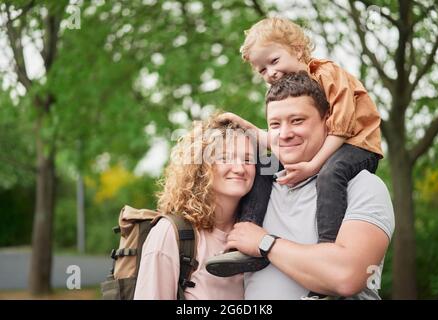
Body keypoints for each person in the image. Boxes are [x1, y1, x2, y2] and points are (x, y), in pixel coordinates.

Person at [210, 17, 383, 274]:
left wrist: (312, 166)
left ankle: (328, 250)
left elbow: (342, 127)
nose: (271, 73)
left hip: (357, 144)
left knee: (330, 173)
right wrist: (243, 125)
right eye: (262, 70)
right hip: (332, 145)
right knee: (265, 165)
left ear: (298, 51)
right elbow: (281, 137)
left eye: (274, 61)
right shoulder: (293, 91)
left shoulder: (327, 74)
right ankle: (245, 241)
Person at [212, 72, 394, 299]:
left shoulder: (363, 186)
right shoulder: (254, 188)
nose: (285, 134)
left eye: (297, 121)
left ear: (327, 121)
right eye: (275, 125)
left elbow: (346, 277)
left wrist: (264, 242)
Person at [134, 115, 256, 299]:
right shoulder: (170, 234)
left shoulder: (257, 233)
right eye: (224, 158)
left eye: (248, 159)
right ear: (201, 167)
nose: (239, 168)